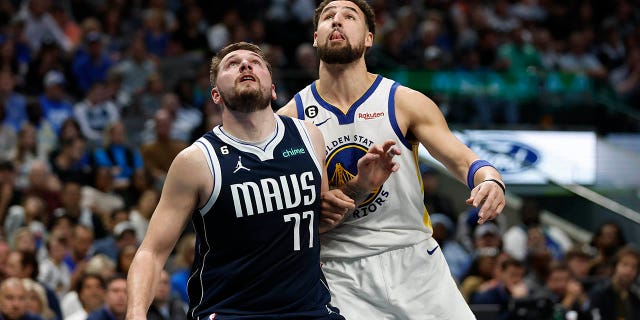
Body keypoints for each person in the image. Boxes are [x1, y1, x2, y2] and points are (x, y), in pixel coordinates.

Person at [126, 42, 397, 319]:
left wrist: (361, 184)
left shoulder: (309, 136)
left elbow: (319, 222)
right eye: (232, 64)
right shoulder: (195, 161)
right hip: (231, 311)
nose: (245, 65)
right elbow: (151, 252)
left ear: (273, 88)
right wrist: (135, 315)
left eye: (255, 62)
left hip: (309, 309)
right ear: (216, 95)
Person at [277, 1, 506, 318]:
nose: (337, 21)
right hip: (337, 269)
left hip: (413, 258)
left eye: (349, 16)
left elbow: (464, 160)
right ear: (316, 37)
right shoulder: (289, 120)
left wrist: (490, 179)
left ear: (369, 38)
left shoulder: (403, 102)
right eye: (329, 17)